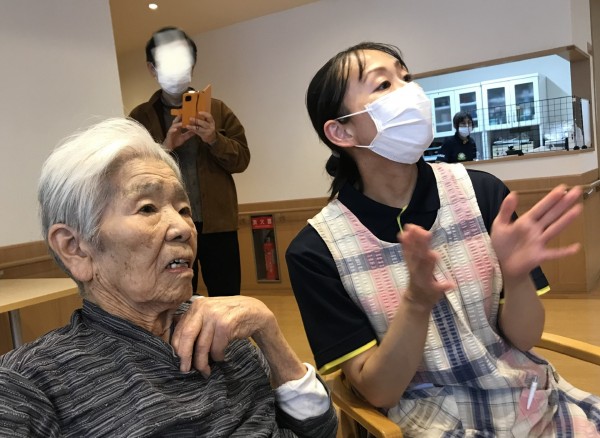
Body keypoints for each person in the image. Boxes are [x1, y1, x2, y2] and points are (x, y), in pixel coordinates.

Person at [286, 42, 600, 436]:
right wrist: (416, 303)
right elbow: (379, 391)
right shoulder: (316, 251)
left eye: (406, 77)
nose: (410, 92)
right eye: (383, 84)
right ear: (341, 131)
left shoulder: (483, 194)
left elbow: (525, 338)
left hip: (527, 401)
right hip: (424, 421)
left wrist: (516, 276)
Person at [0, 118, 337, 437]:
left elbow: (319, 431)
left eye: (184, 209)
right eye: (147, 208)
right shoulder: (29, 382)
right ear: (75, 248)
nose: (182, 228)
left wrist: (267, 331)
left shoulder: (227, 332)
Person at [130, 26, 249, 296]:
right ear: (152, 68)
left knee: (227, 296)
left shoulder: (218, 109)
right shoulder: (140, 118)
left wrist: (214, 139)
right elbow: (130, 174)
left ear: (193, 64)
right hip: (165, 225)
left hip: (218, 222)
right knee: (176, 297)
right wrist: (165, 148)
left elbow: (242, 160)